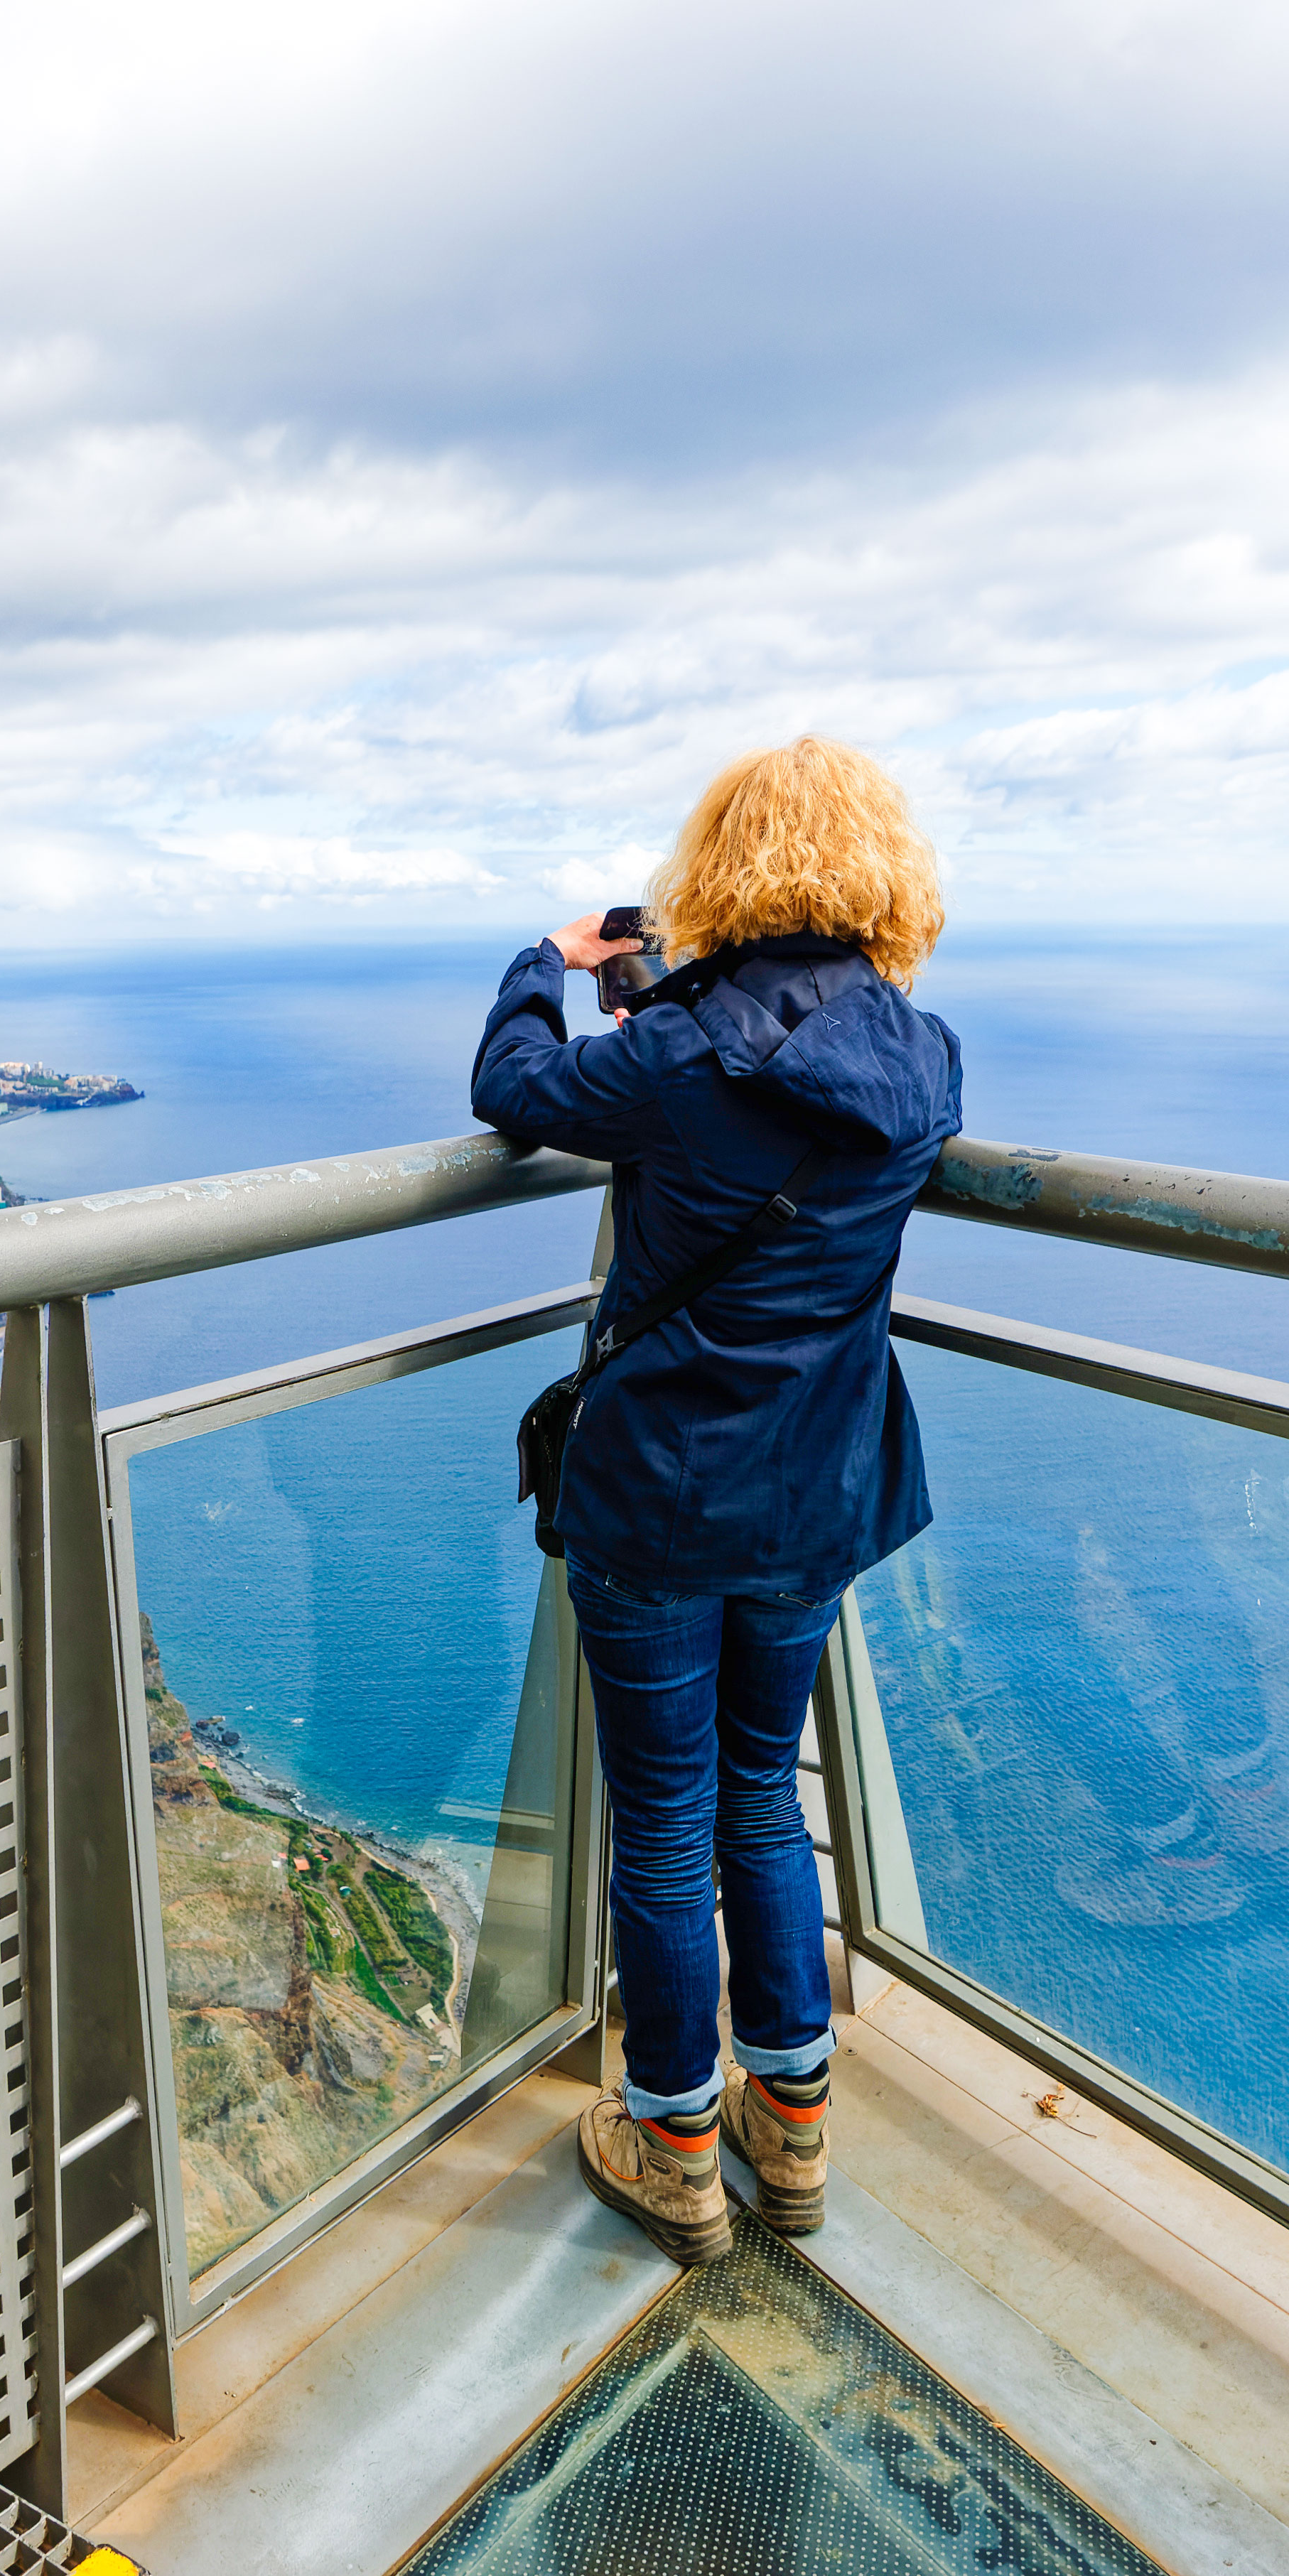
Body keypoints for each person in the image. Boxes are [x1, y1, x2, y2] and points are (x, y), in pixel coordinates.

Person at [472, 735, 962, 2262]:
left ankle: (676, 2149)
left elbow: (514, 1090)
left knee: (666, 1825)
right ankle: (790, 2129)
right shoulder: (924, 1054)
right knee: (763, 1797)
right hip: (813, 1491)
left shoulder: (676, 1059)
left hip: (662, 1499)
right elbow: (784, 1080)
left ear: (718, 867)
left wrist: (539, 961)